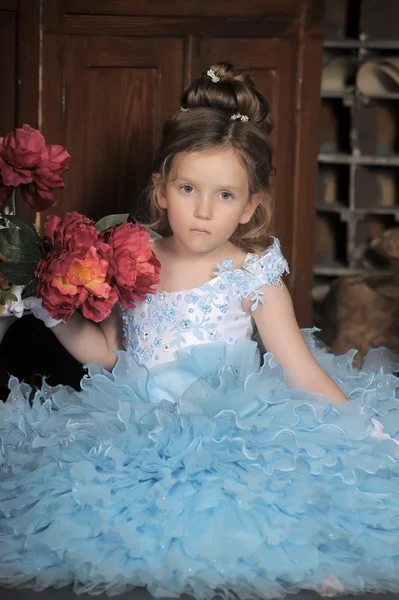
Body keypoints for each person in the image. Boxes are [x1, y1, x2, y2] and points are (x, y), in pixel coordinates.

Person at [1, 63, 399, 599]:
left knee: (244, 510)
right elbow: (108, 357)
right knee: (79, 503)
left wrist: (362, 432)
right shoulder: (130, 255)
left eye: (226, 196)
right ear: (162, 189)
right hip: (134, 418)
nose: (204, 212)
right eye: (188, 188)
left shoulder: (251, 273)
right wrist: (47, 306)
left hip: (229, 423)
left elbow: (300, 370)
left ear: (252, 206)